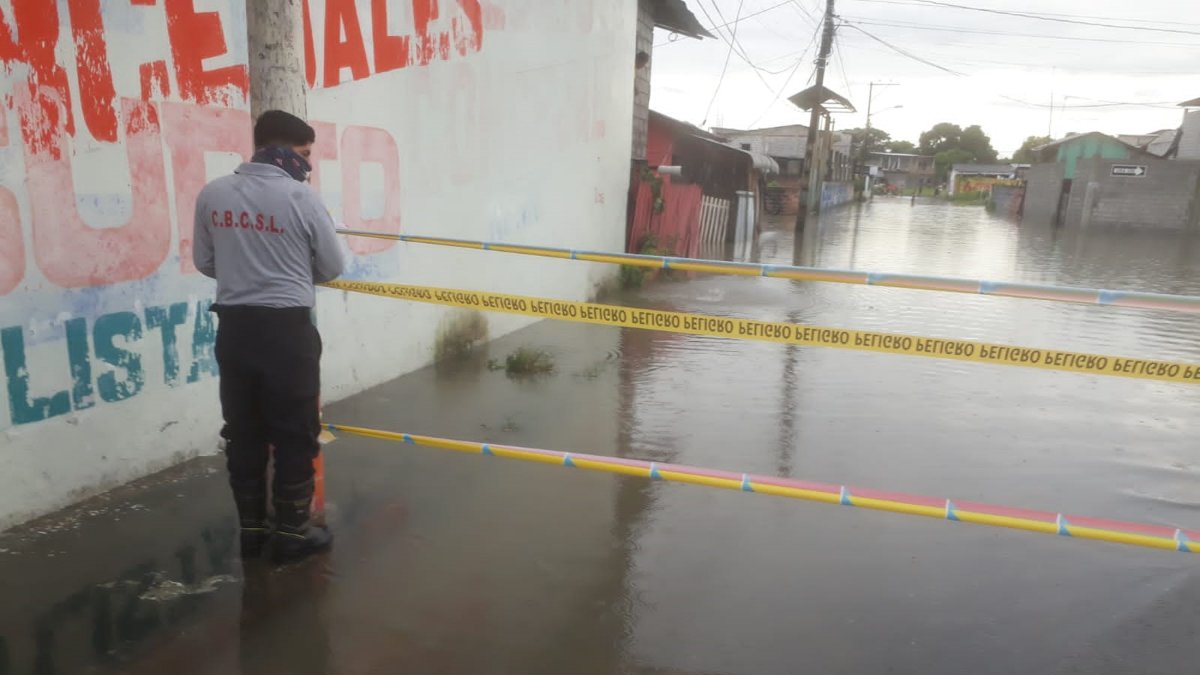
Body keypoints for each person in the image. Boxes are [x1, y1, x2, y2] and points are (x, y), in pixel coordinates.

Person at [193, 110, 346, 563]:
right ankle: (294, 537)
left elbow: (205, 262)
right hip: (286, 332)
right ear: (281, 151)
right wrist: (288, 273)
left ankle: (252, 533)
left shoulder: (212, 193)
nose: (308, 165)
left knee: (244, 432)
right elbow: (333, 267)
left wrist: (244, 273)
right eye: (304, 154)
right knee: (296, 433)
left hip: (235, 329)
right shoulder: (301, 198)